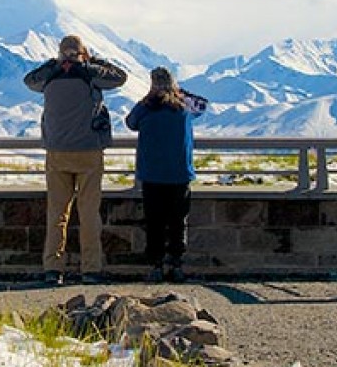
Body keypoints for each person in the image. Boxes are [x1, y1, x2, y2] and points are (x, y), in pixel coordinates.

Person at [23, 35, 127, 285]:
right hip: (89, 150)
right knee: (89, 213)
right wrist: (93, 61)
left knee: (57, 213)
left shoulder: (50, 75)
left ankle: (53, 268)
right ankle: (90, 269)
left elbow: (29, 80)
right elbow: (120, 77)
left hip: (57, 151)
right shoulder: (90, 73)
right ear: (83, 53)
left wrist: (55, 62)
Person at [125, 66, 208, 283]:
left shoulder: (145, 107)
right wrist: (179, 91)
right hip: (180, 174)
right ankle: (177, 263)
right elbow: (203, 104)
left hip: (152, 174)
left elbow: (130, 123)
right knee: (178, 221)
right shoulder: (184, 107)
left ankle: (156, 265)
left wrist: (149, 97)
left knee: (155, 222)